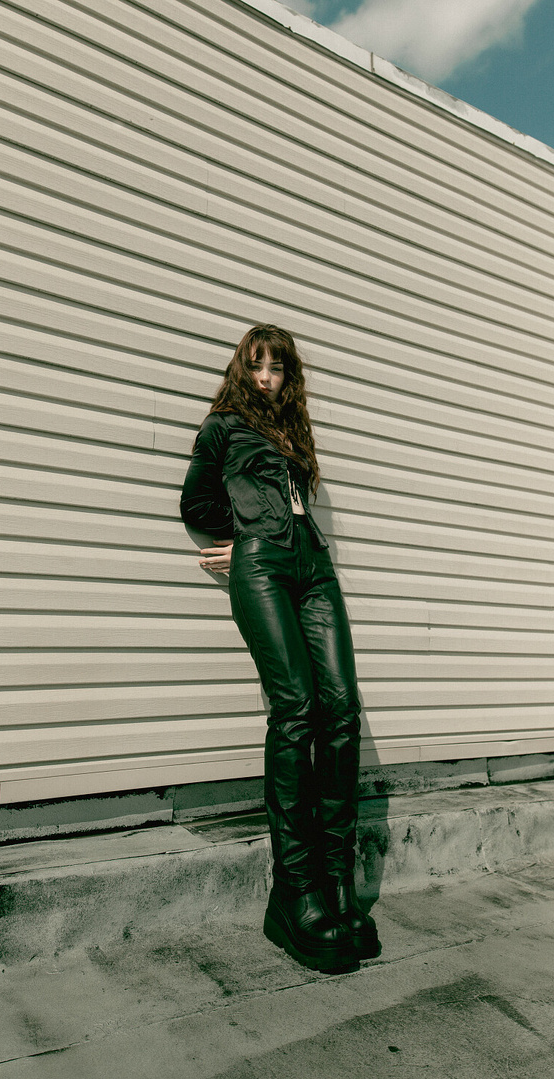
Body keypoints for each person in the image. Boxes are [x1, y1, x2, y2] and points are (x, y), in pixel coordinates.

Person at [180, 324, 378, 973]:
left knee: (341, 710)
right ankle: (294, 893)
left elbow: (294, 504)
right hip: (264, 567)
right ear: (243, 369)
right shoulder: (222, 427)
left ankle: (337, 884)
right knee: (296, 709)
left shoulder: (293, 430)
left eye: (278, 368)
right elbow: (195, 501)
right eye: (258, 366)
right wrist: (243, 541)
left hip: (314, 566)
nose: (267, 378)